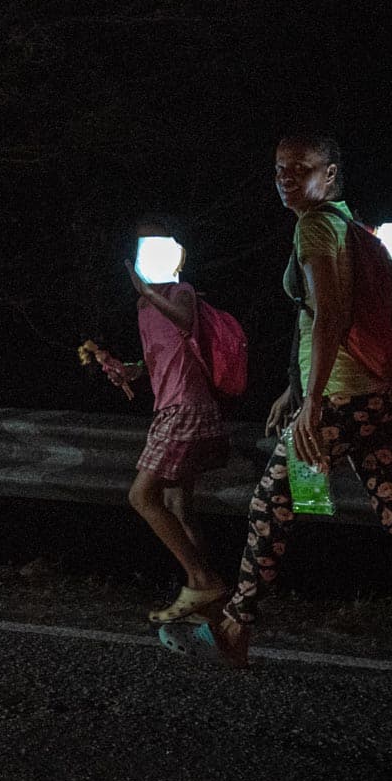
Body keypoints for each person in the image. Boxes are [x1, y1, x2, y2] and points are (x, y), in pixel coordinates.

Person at [158, 133, 392, 672]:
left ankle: (234, 629)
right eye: (279, 167)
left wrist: (311, 405)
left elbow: (331, 315)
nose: (284, 177)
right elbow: (317, 320)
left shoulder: (315, 227)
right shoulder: (348, 224)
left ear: (329, 175)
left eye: (300, 168)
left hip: (337, 398)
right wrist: (295, 389)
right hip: (367, 397)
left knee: (269, 506)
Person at [97, 222, 230, 621]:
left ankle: (201, 581)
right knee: (178, 505)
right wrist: (130, 370)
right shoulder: (143, 308)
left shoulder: (180, 292)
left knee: (142, 496)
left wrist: (150, 292)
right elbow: (164, 357)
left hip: (186, 410)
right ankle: (209, 606)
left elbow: (186, 322)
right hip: (170, 408)